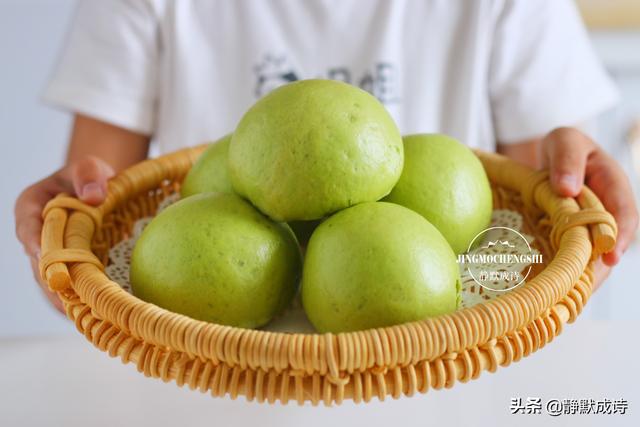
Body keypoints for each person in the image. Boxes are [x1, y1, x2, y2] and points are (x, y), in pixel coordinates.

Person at [15, 0, 638, 312]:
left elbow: (535, 236)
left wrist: (575, 199)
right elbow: (96, 246)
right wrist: (65, 231)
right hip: (197, 383)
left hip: (457, 381)